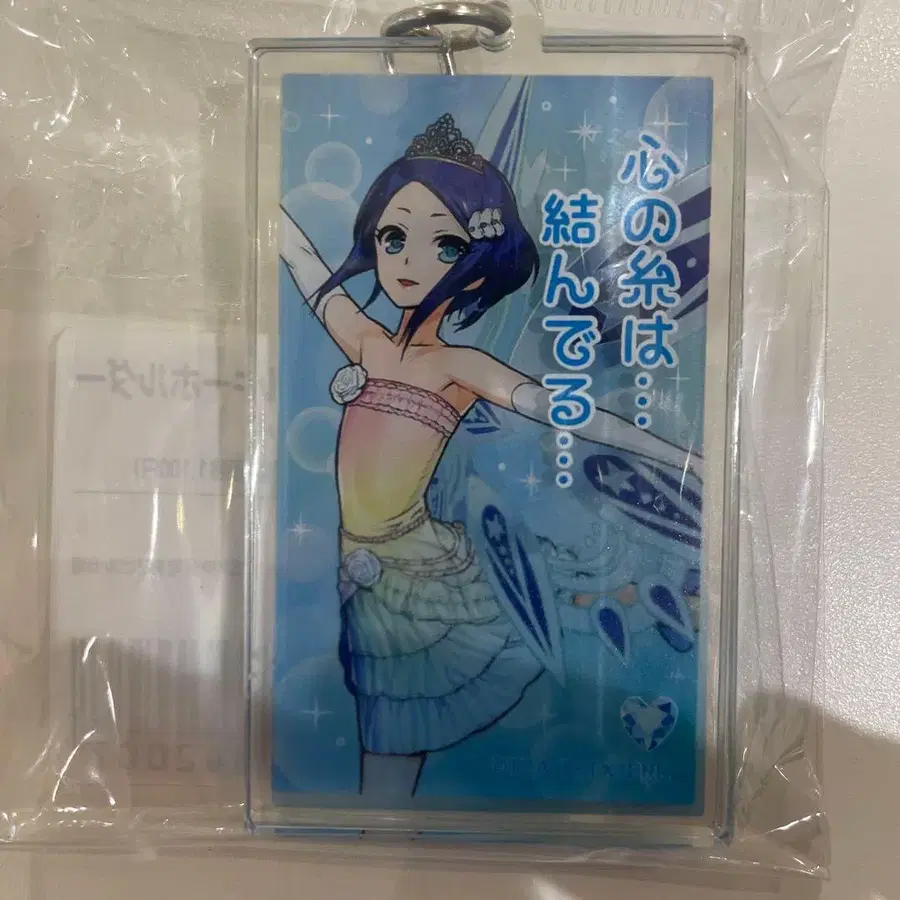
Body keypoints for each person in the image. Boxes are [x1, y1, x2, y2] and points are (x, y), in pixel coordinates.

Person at [280, 114, 701, 797]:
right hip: (364, 567)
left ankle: (378, 838)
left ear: (476, 269)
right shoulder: (366, 341)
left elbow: (563, 409)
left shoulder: (458, 365)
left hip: (413, 569)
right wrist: (254, 177)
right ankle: (377, 838)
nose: (409, 261)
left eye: (444, 245)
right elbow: (302, 262)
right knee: (383, 727)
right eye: (394, 237)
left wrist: (680, 458)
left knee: (390, 731)